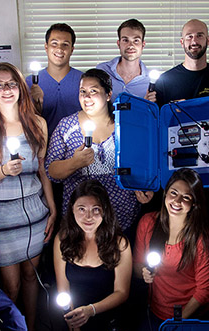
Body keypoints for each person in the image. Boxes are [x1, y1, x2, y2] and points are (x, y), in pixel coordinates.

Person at [0, 62, 55, 331]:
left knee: (32, 276)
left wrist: (52, 210)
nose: (6, 90)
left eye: (11, 84)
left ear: (20, 88)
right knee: (12, 285)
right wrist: (4, 170)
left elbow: (43, 171)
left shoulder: (37, 123)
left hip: (34, 211)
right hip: (0, 215)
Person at [134, 168, 209, 331]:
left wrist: (178, 322)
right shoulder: (148, 223)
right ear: (165, 193)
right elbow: (137, 264)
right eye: (173, 193)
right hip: (155, 312)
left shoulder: (200, 238)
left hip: (187, 314)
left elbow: (204, 290)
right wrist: (143, 272)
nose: (177, 201)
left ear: (195, 203)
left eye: (186, 197)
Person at [46, 69, 146, 238]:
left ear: (108, 95)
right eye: (82, 92)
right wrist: (74, 163)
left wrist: (143, 188)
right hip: (80, 223)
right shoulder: (66, 126)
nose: (86, 97)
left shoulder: (126, 125)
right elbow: (51, 171)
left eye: (93, 91)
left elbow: (141, 164)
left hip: (121, 219)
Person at [53, 180, 132, 331]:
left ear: (105, 211)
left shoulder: (120, 243)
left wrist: (91, 310)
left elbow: (122, 292)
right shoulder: (62, 240)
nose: (88, 217)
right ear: (72, 210)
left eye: (95, 210)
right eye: (81, 209)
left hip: (109, 321)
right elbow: (63, 290)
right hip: (73, 321)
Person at [149, 19, 209, 106]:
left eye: (199, 35)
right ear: (182, 42)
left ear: (208, 40)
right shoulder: (164, 81)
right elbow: (157, 116)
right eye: (189, 36)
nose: (194, 42)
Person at [25, 23, 83, 136]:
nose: (59, 49)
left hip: (76, 146)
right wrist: (37, 106)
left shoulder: (83, 80)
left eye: (65, 44)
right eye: (54, 43)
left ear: (72, 49)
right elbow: (25, 121)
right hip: (42, 144)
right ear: (46, 47)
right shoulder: (30, 82)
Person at [96, 19, 151, 97]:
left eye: (136, 40)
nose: (130, 46)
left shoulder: (150, 81)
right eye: (125, 40)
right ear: (118, 44)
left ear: (143, 45)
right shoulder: (102, 70)